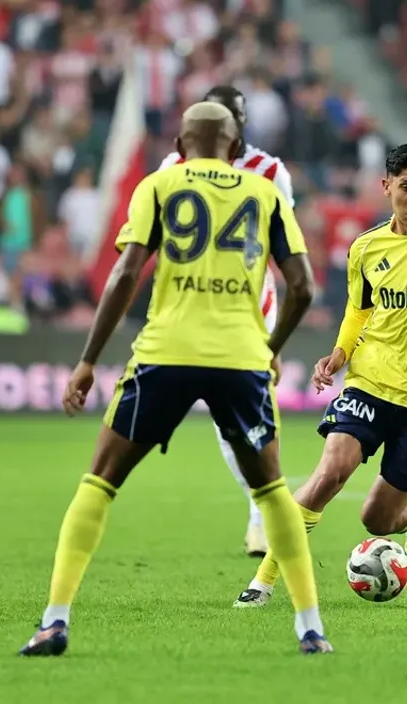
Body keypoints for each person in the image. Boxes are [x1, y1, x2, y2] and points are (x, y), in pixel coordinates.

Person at [19, 102, 332, 656]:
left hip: (166, 352)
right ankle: (310, 629)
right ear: (236, 148)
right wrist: (269, 348)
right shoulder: (264, 194)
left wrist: (89, 359)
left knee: (100, 479)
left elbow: (125, 273)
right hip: (240, 357)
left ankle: (54, 622)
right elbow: (303, 287)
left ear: (181, 145)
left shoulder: (159, 185)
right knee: (272, 490)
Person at [231, 143, 407, 608]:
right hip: (369, 384)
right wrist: (340, 353)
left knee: (379, 520)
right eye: (406, 187)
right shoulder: (366, 247)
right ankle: (263, 582)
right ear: (386, 187)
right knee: (328, 474)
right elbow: (359, 310)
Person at [157, 84, 293, 558]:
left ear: (242, 124)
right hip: (190, 311)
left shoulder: (271, 172)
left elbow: (285, 253)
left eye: (232, 117)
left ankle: (262, 514)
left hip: (249, 312)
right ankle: (264, 508)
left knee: (247, 414)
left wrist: (274, 341)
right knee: (217, 420)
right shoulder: (172, 168)